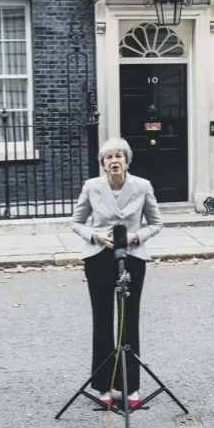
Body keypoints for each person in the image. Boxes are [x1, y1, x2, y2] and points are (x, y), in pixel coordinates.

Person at [71, 137, 163, 407]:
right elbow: (76, 223)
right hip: (99, 258)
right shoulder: (92, 187)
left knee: (129, 320)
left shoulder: (142, 186)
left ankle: (130, 386)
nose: (114, 161)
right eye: (108, 157)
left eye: (119, 156)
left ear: (127, 161)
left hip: (132, 258)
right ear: (103, 163)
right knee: (102, 321)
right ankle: (103, 387)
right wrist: (97, 236)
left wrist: (136, 236)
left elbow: (156, 223)